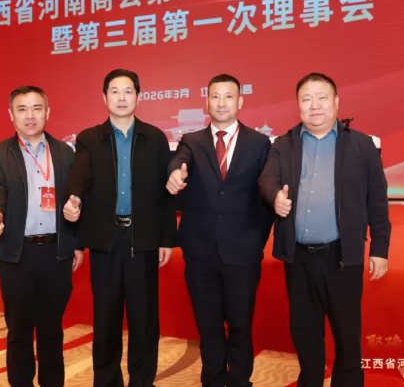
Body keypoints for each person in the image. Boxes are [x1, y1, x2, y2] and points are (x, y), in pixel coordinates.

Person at [258, 73, 392, 387]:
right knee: (305, 331)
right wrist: (275, 196)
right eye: (307, 99)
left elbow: (377, 200)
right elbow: (267, 179)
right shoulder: (283, 144)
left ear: (336, 102)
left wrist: (380, 249)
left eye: (322, 97)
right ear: (298, 105)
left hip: (342, 256)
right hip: (298, 258)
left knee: (347, 332)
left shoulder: (362, 145)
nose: (315, 105)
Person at [63, 69, 177, 387]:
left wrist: (166, 238)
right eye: (115, 91)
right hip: (106, 239)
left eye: (128, 91)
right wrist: (74, 199)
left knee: (144, 319)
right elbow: (80, 177)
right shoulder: (90, 138)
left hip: (143, 239)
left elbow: (165, 193)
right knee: (106, 319)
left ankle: (142, 381)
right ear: (104, 98)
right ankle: (107, 381)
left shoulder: (155, 138)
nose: (122, 97)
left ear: (138, 96)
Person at [166, 74, 273, 387]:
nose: (222, 103)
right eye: (215, 96)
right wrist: (174, 174)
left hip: (243, 252)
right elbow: (179, 162)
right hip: (200, 252)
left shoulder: (259, 143)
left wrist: (255, 240)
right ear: (207, 102)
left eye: (229, 96)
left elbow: (267, 193)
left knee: (240, 324)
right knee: (208, 324)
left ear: (240, 101)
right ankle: (212, 379)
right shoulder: (192, 140)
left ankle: (239, 380)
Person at [0, 86, 83, 387]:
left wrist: (76, 233)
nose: (30, 115)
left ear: (47, 112)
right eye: (22, 109)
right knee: (19, 331)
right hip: (17, 254)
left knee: (52, 331)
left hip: (55, 254)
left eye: (37, 108)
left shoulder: (65, 152)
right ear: (11, 114)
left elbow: (77, 194)